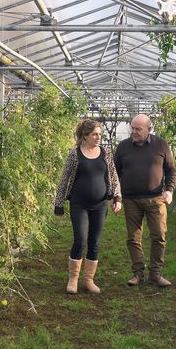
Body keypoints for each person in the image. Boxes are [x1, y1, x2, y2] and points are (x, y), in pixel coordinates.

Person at [54, 119, 122, 294]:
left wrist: (117, 197)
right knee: (80, 240)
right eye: (94, 134)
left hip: (100, 205)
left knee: (95, 242)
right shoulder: (75, 155)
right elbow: (64, 180)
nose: (98, 137)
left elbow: (113, 176)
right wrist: (59, 203)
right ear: (85, 136)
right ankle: (73, 279)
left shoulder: (105, 153)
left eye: (100, 134)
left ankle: (88, 280)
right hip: (79, 205)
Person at [114, 114, 176, 287]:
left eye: (138, 129)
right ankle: (138, 273)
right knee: (133, 238)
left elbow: (172, 170)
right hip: (131, 200)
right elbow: (114, 174)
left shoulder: (161, 145)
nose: (133, 131)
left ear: (149, 130)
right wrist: (117, 196)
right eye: (132, 128)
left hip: (156, 198)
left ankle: (155, 273)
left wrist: (169, 191)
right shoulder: (123, 147)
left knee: (159, 235)